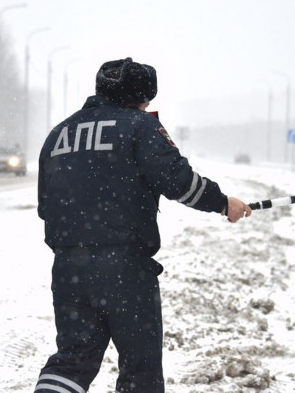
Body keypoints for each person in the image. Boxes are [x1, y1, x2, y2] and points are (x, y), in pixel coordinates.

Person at [34, 57, 252, 393]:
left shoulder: (59, 133)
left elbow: (46, 207)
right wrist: (223, 203)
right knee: (140, 367)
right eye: (148, 98)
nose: (149, 105)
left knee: (73, 358)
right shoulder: (139, 126)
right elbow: (179, 182)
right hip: (124, 268)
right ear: (140, 96)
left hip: (68, 268)